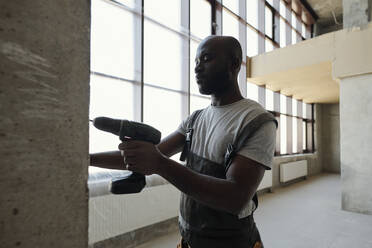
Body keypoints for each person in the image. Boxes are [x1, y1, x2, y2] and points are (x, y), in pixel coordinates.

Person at [91, 36, 276, 248]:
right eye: (196, 62)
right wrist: (85, 159)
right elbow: (149, 155)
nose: (197, 68)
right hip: (189, 240)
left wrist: (159, 164)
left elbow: (235, 198)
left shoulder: (257, 120)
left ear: (234, 64)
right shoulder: (195, 119)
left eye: (206, 59)